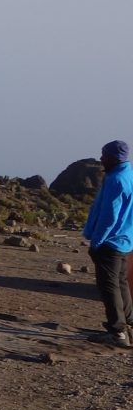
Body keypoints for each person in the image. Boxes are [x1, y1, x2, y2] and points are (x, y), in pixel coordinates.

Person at [81, 140, 133, 347]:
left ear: (112, 157)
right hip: (125, 241)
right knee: (121, 284)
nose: (101, 159)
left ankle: (117, 331)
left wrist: (97, 242)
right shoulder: (128, 175)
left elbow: (109, 215)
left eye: (104, 155)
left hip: (110, 243)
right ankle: (129, 324)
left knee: (109, 286)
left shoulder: (116, 180)